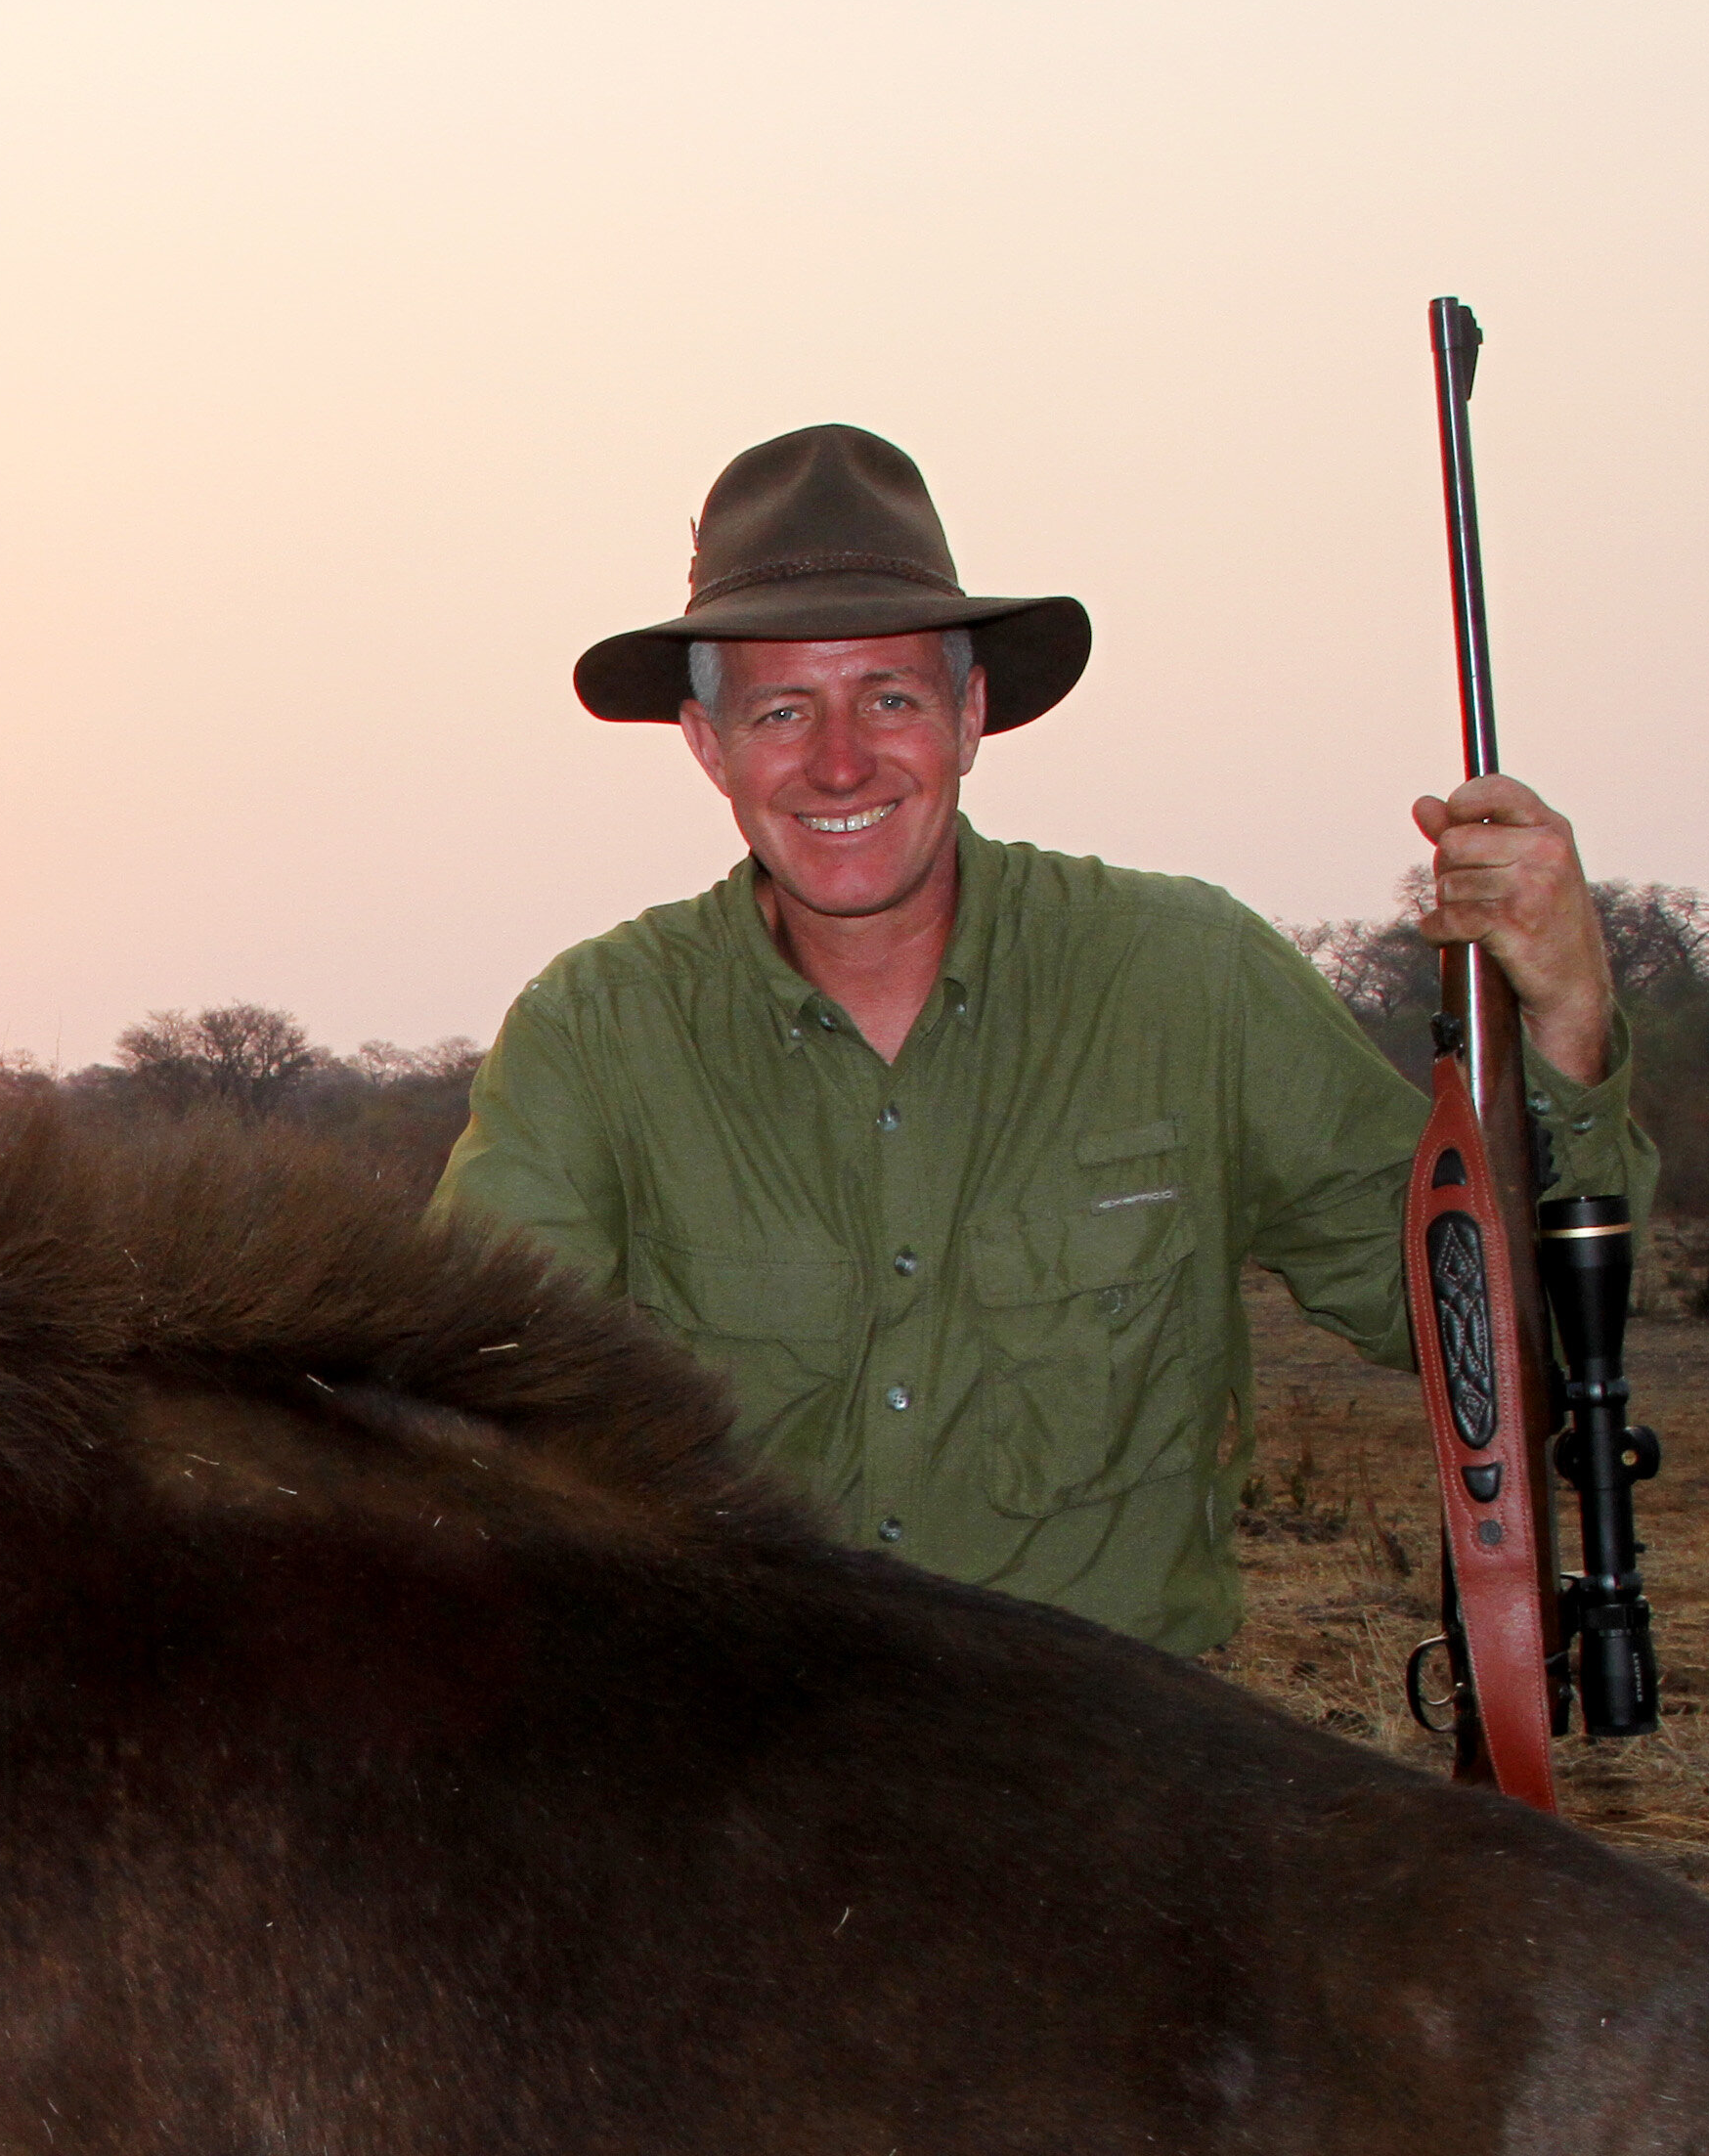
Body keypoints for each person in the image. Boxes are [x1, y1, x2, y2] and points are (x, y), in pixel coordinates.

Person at [436, 421, 1643, 1652]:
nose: (841, 763)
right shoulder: (593, 1033)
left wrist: (1566, 1022)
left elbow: (1475, 1334)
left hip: (1120, 1787)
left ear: (969, 717)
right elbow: (461, 1422)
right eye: (783, 712)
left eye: (890, 698)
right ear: (709, 748)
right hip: (751, 1783)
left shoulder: (1191, 977)